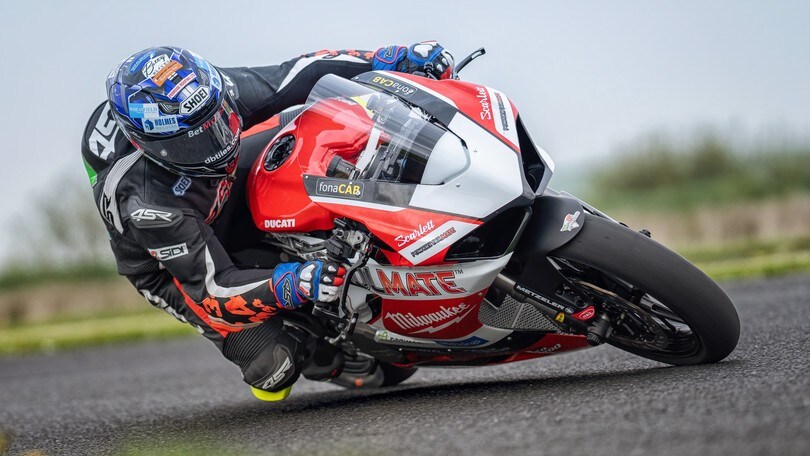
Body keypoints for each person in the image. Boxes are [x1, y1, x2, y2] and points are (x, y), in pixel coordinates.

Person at [81, 42, 456, 400]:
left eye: (217, 123)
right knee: (273, 365)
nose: (217, 144)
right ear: (150, 147)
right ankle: (324, 355)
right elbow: (215, 291)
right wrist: (295, 282)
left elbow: (297, 73)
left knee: (312, 123)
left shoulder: (205, 92)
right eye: (193, 143)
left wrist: (388, 58)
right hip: (173, 263)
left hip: (216, 190)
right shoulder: (147, 203)